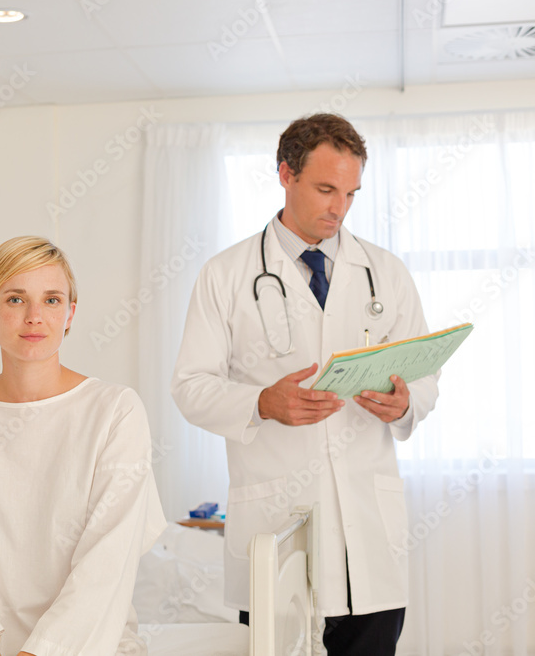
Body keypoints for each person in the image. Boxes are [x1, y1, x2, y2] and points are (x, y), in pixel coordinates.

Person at [170, 114, 439, 655]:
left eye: (351, 193)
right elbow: (190, 387)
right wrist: (261, 403)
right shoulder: (225, 275)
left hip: (368, 536)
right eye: (325, 189)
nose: (339, 207)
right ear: (285, 174)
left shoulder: (385, 272)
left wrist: (405, 402)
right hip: (276, 525)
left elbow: (424, 375)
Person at [0, 236, 166, 656]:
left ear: (70, 313)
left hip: (87, 645)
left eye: (51, 300)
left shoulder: (115, 411)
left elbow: (107, 563)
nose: (34, 317)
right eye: (15, 299)